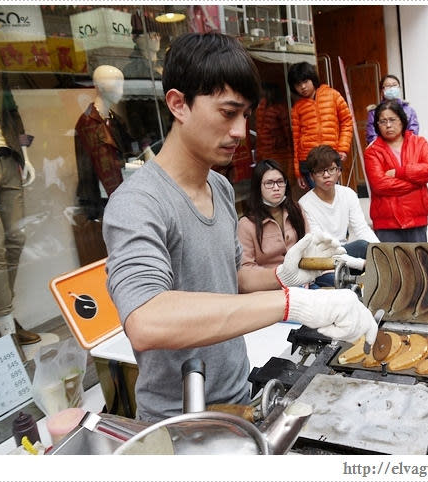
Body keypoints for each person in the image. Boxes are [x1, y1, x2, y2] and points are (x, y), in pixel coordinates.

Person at [103, 33, 377, 422]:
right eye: (228, 112)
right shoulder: (138, 202)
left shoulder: (219, 185)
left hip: (237, 392)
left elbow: (234, 279)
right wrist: (293, 303)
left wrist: (285, 275)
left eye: (246, 114)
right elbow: (146, 319)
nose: (239, 130)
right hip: (179, 417)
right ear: (179, 104)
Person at [0, 71, 41, 344]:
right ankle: (7, 327)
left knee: (16, 237)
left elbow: (13, 114)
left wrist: (25, 156)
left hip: (7, 158)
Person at [74, 65, 136, 265]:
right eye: (115, 83)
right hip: (105, 201)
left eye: (122, 83)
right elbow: (101, 168)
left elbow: (129, 153)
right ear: (99, 86)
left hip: (122, 196)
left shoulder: (115, 121)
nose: (121, 88)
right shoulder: (88, 123)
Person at [299, 145, 379, 284]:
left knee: (365, 246)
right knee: (339, 281)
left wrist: (383, 253)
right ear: (311, 176)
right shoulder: (304, 204)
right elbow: (322, 249)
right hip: (321, 262)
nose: (326, 175)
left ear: (339, 171)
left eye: (331, 169)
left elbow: (361, 229)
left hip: (344, 254)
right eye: (319, 171)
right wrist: (361, 264)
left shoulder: (348, 194)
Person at [364, 99, 428, 242]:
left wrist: (400, 172)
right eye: (383, 121)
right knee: (391, 264)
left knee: (417, 263)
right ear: (377, 125)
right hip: (386, 222)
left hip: (416, 217)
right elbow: (380, 185)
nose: (388, 125)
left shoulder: (419, 143)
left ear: (402, 121)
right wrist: (416, 183)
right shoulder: (372, 151)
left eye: (392, 119)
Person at [288, 62, 353, 190]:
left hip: (330, 157)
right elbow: (296, 140)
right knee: (317, 201)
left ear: (313, 78)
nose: (302, 87)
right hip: (307, 161)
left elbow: (347, 121)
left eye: (305, 81)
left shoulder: (333, 95)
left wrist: (342, 148)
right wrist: (297, 171)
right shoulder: (297, 108)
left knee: (332, 197)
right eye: (297, 84)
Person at [238, 160, 308, 270]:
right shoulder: (246, 224)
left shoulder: (296, 209)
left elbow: (308, 245)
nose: (276, 188)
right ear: (258, 187)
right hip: (269, 284)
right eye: (269, 183)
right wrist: (277, 276)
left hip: (302, 276)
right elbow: (246, 266)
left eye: (280, 181)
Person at [366, 74, 419, 145]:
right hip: (382, 151)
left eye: (394, 85)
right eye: (388, 86)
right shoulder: (374, 112)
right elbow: (372, 136)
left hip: (406, 149)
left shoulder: (409, 110)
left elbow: (413, 132)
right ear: (382, 90)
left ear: (399, 88)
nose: (391, 88)